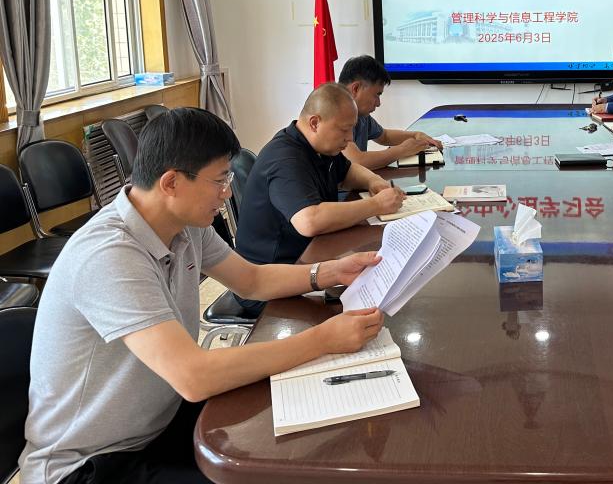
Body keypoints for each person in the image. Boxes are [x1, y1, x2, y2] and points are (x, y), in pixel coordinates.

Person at [20, 107, 386, 484]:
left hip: (157, 422)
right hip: (90, 463)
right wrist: (323, 340)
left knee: (285, 431)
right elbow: (193, 376)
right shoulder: (109, 255)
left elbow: (252, 280)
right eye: (220, 179)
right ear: (171, 182)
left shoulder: (184, 223)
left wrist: (328, 272)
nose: (226, 192)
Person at [233, 83, 404, 313]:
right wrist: (376, 205)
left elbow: (348, 170)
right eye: (344, 130)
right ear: (315, 123)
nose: (350, 138)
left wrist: (373, 181)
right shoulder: (285, 159)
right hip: (269, 280)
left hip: (306, 257)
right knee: (370, 299)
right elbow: (309, 221)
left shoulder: (320, 146)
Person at [338, 55, 442, 168]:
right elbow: (357, 161)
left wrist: (416, 135)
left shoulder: (361, 115)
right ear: (356, 88)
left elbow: (384, 136)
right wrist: (402, 150)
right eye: (377, 95)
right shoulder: (333, 114)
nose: (378, 103)